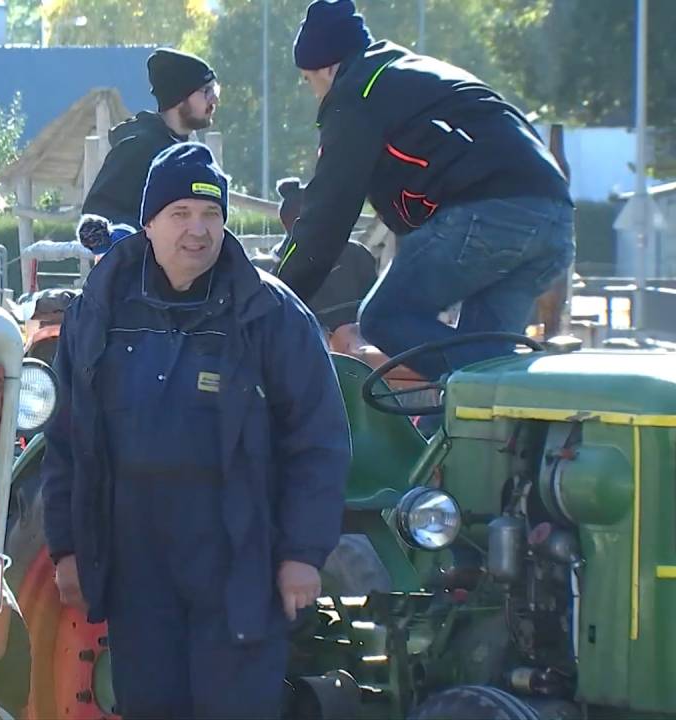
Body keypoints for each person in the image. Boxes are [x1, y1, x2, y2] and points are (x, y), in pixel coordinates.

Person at [41, 142, 351, 719]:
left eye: (211, 215)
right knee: (150, 704)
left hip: (238, 557)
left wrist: (303, 554)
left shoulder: (271, 314)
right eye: (180, 214)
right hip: (136, 557)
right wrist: (67, 548)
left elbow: (318, 441)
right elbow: (66, 437)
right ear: (149, 222)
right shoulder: (98, 310)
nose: (198, 231)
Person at [274, 0, 574, 381]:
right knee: (483, 357)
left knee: (385, 316)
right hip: (554, 217)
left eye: (307, 80)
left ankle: (487, 391)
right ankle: (481, 418)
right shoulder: (417, 75)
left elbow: (327, 216)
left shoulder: (357, 94)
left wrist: (277, 297)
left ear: (327, 68)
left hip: (488, 214)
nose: (313, 92)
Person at [80, 48, 220, 233]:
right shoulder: (138, 147)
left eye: (215, 90)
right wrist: (146, 240)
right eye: (206, 91)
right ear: (180, 97)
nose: (215, 99)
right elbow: (97, 213)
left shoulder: (188, 150)